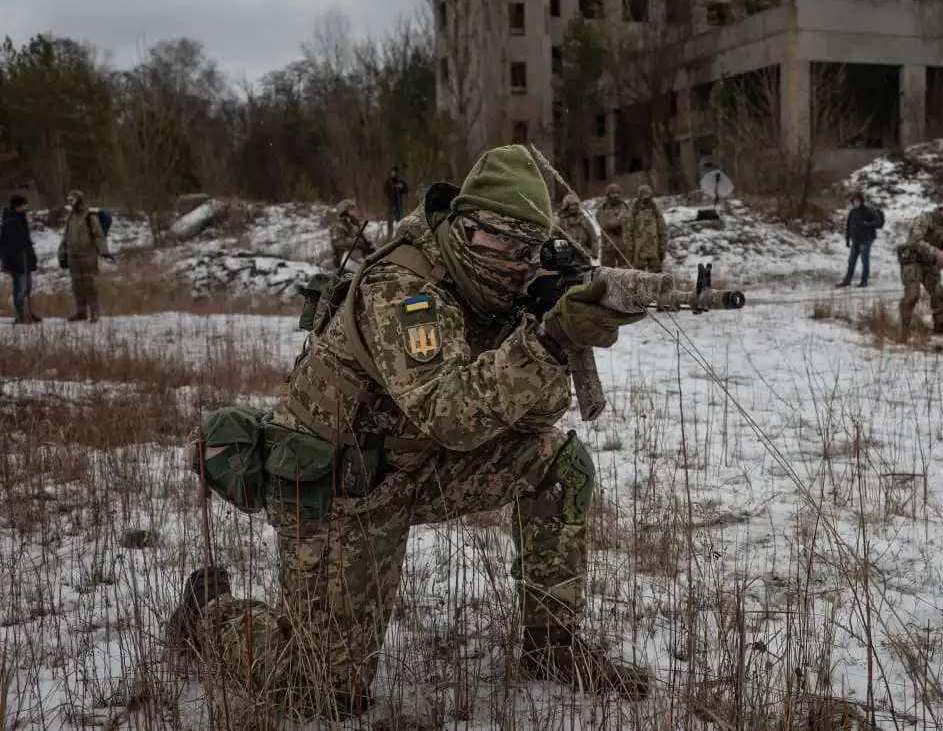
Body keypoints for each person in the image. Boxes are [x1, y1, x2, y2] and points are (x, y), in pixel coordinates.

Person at [169, 145, 652, 722]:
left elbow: (534, 416)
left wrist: (552, 332)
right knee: (319, 691)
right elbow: (448, 411)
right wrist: (547, 342)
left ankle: (552, 648)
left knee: (557, 462)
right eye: (499, 240)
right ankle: (206, 614)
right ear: (464, 225)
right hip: (338, 487)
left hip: (417, 467)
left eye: (527, 250)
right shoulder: (404, 287)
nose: (514, 260)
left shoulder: (502, 289)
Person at [896, 201, 943, 334]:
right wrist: (935, 252)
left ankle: (940, 327)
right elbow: (915, 241)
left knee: (938, 293)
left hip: (930, 264)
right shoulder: (925, 219)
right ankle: (904, 329)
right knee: (912, 295)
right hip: (913, 261)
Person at [56, 190, 112, 323]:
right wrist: (62, 254)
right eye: (68, 200)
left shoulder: (90, 216)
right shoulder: (71, 216)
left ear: (79, 200)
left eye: (72, 200)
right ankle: (81, 312)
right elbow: (66, 237)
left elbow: (99, 235)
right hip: (73, 256)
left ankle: (94, 313)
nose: (69, 202)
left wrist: (104, 251)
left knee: (90, 286)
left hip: (88, 256)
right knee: (77, 286)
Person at [0, 194, 41, 324]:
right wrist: (17, 259)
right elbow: (10, 244)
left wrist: (30, 258)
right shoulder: (11, 221)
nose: (26, 207)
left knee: (27, 286)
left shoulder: (21, 219)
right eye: (23, 205)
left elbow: (26, 242)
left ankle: (28, 312)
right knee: (20, 287)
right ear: (17, 206)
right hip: (17, 260)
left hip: (24, 258)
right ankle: (20, 314)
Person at [836, 190, 884, 288]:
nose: (855, 203)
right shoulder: (852, 212)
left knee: (864, 260)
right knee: (851, 260)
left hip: (866, 239)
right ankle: (847, 280)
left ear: (861, 201)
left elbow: (878, 222)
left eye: (857, 201)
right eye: (854, 201)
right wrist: (847, 239)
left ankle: (864, 281)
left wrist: (867, 224)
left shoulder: (868, 210)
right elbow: (849, 226)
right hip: (855, 240)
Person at [624, 184, 668, 273]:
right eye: (644, 195)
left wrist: (663, 248)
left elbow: (662, 231)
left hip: (654, 249)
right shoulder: (634, 212)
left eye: (648, 194)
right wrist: (629, 249)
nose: (646, 197)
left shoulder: (655, 211)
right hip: (638, 251)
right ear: (639, 196)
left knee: (656, 276)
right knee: (637, 275)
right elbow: (628, 231)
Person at [329, 198, 375, 272]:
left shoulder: (354, 224)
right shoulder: (337, 226)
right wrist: (355, 242)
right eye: (351, 209)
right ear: (344, 211)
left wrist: (368, 246)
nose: (354, 211)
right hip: (344, 262)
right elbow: (337, 243)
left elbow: (362, 240)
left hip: (357, 259)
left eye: (353, 209)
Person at [553, 193, 599, 264]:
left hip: (583, 253)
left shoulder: (583, 219)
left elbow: (593, 236)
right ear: (566, 206)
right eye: (571, 205)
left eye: (575, 204)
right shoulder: (560, 220)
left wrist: (594, 252)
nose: (573, 207)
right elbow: (553, 237)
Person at [595, 183, 629, 268]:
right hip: (608, 245)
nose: (615, 195)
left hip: (623, 245)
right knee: (607, 271)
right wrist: (618, 222)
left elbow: (628, 222)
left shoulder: (624, 207)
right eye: (613, 193)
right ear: (608, 194)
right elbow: (605, 224)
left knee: (626, 271)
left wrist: (616, 222)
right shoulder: (602, 208)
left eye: (617, 193)